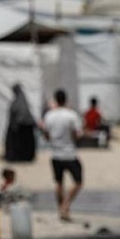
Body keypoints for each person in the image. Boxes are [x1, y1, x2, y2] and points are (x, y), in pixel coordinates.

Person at [40, 89, 83, 222]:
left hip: (55, 153)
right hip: (69, 153)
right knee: (78, 181)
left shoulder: (49, 115)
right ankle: (66, 204)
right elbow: (76, 134)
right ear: (65, 99)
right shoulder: (71, 115)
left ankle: (61, 208)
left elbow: (46, 135)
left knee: (59, 182)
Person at [5, 83, 37, 162]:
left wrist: (15, 124)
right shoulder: (22, 100)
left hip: (21, 127)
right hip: (26, 126)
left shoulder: (18, 101)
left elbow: (18, 114)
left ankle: (18, 156)